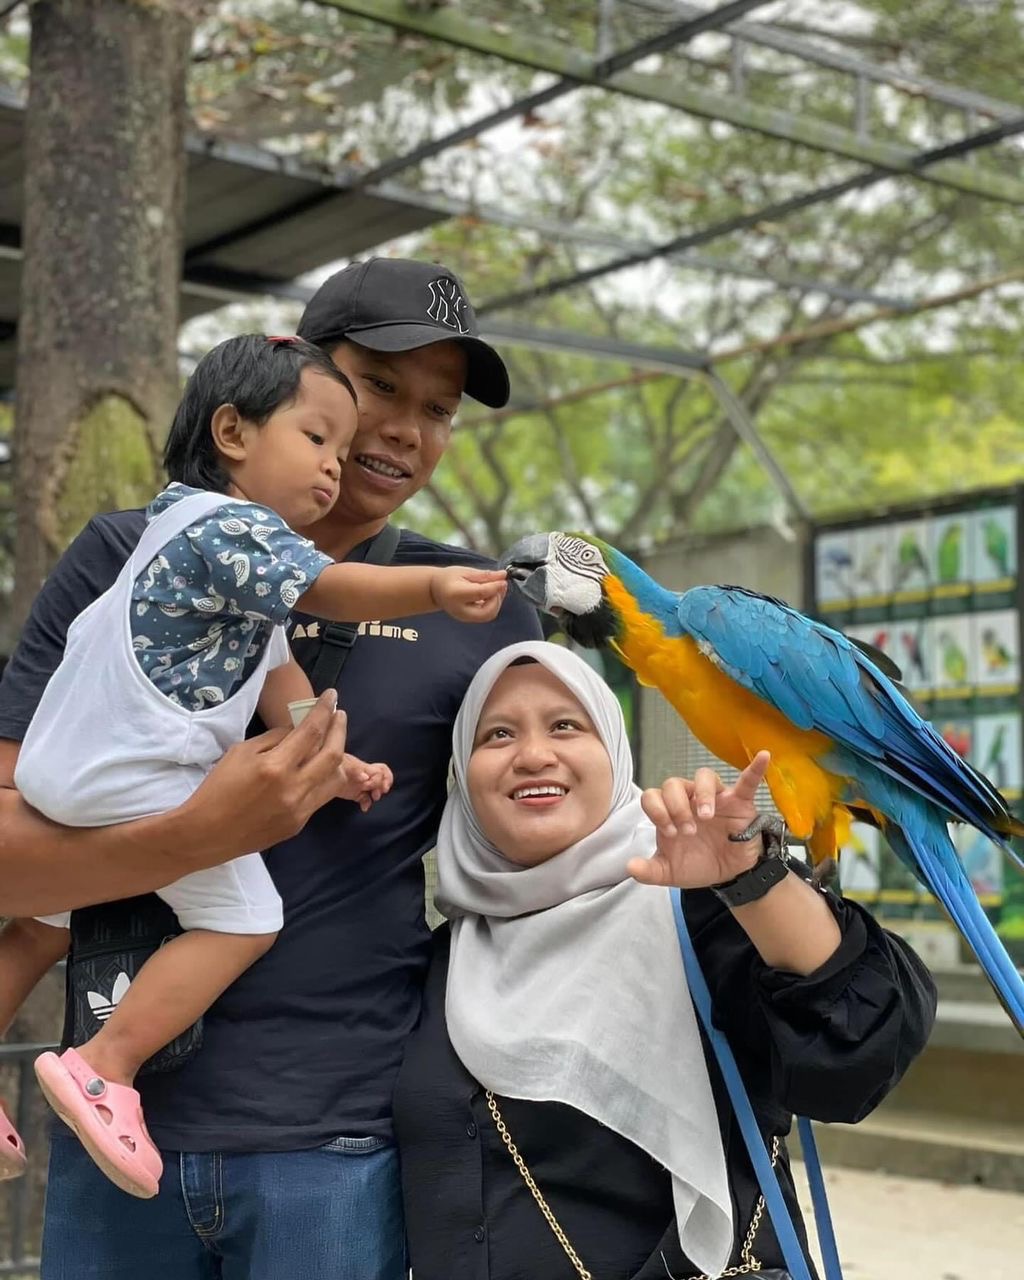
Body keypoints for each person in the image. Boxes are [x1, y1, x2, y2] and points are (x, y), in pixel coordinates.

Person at [0, 258, 541, 1278]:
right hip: (115, 1123)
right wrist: (200, 835)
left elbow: (546, 858)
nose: (401, 430)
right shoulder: (129, 554)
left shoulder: (481, 610)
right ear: (287, 389)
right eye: (378, 386)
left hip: (337, 1139)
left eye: (438, 407)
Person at [393, 640, 938, 1279]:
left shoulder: (697, 914)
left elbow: (862, 1047)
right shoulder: (438, 962)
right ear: (461, 770)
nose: (533, 754)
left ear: (614, 754)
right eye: (497, 734)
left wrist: (750, 878)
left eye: (566, 725)